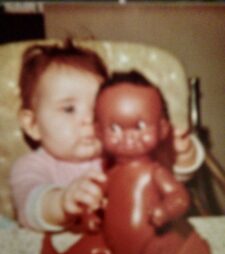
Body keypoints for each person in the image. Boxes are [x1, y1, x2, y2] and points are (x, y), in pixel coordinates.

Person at [10, 40, 204, 232]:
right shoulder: (31, 166)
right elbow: (30, 206)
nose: (89, 119)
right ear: (32, 124)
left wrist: (180, 153)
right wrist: (61, 202)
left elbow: (168, 176)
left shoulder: (122, 153)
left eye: (98, 108)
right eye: (69, 109)